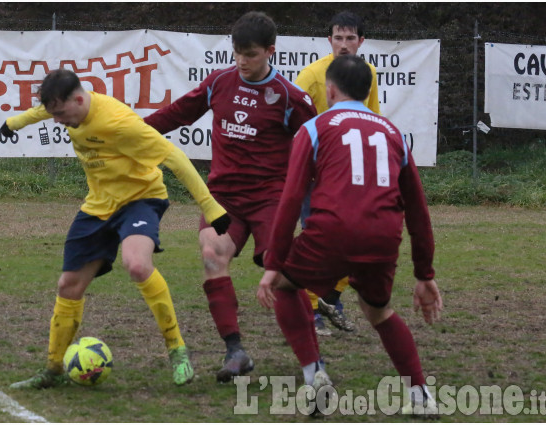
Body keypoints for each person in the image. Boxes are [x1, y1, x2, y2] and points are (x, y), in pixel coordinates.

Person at [0, 68, 231, 389]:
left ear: (79, 99)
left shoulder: (120, 124)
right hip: (98, 206)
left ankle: (177, 349)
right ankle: (53, 370)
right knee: (68, 285)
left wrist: (210, 206)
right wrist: (15, 123)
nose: (58, 121)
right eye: (54, 114)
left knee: (137, 264)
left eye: (62, 113)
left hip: (141, 199)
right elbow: (44, 110)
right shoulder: (68, 108)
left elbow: (175, 158)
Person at [257, 55, 442, 415]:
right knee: (379, 311)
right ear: (369, 90)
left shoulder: (313, 128)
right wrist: (424, 274)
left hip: (332, 231)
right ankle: (421, 396)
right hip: (383, 237)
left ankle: (315, 378)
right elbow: (418, 211)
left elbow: (292, 199)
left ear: (329, 89)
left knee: (284, 284)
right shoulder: (392, 132)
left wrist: (273, 262)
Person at [144, 11, 320, 384]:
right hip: (223, 198)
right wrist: (129, 131)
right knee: (212, 256)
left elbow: (317, 146)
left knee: (283, 277)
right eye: (237, 52)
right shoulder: (220, 82)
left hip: (272, 198)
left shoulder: (290, 97)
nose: (242, 61)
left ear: (270, 51)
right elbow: (177, 114)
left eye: (251, 54)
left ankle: (312, 361)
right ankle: (235, 350)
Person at [294, 11, 381, 337]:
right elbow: (294, 122)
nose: (344, 45)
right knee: (317, 241)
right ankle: (314, 310)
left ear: (361, 41)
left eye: (350, 38)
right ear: (329, 40)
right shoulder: (310, 76)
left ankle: (328, 301)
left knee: (355, 240)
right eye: (338, 38)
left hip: (353, 174)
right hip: (317, 176)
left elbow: (372, 119)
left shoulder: (368, 73)